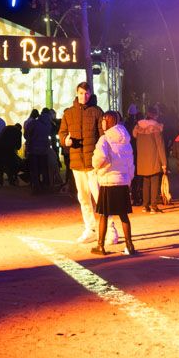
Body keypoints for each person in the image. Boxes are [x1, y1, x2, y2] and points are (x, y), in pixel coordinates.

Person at [60, 84, 105, 243]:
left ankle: (109, 228)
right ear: (76, 93)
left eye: (86, 93)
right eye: (81, 93)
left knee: (100, 197)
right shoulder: (68, 113)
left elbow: (103, 136)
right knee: (83, 197)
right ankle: (90, 229)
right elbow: (62, 133)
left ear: (90, 94)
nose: (84, 96)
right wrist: (66, 141)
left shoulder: (97, 112)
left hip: (94, 163)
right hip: (77, 162)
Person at [91, 111, 137, 256]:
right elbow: (130, 162)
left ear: (109, 120)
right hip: (122, 181)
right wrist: (128, 179)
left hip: (108, 181)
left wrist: (96, 166)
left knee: (104, 215)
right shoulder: (126, 140)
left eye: (104, 119)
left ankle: (100, 246)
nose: (102, 122)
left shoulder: (104, 139)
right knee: (124, 215)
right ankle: (130, 245)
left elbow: (100, 157)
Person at [132, 110, 167, 212]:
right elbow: (160, 146)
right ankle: (154, 206)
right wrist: (164, 163)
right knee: (155, 182)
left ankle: (145, 205)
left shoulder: (138, 128)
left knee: (146, 182)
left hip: (142, 160)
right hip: (154, 158)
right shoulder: (155, 128)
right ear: (155, 116)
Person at [25, 108, 53, 191]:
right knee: (44, 167)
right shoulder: (49, 124)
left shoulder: (34, 123)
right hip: (44, 149)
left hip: (33, 148)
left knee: (34, 168)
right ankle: (46, 184)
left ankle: (36, 185)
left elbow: (26, 134)